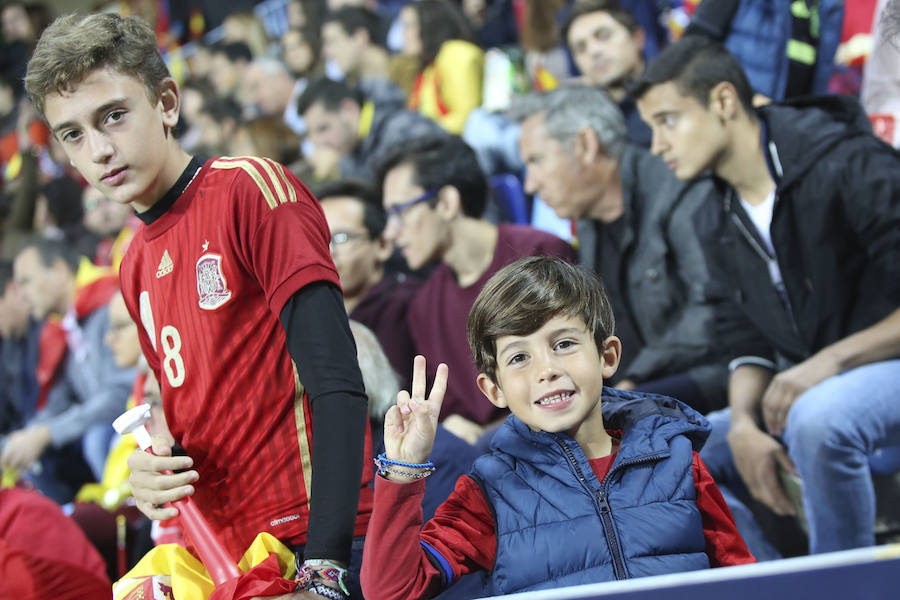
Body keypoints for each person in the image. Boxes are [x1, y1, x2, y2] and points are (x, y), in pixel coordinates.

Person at [25, 13, 372, 599]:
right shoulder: (132, 263)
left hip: (312, 544)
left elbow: (337, 383)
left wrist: (326, 566)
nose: (100, 149)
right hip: (220, 559)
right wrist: (149, 476)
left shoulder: (251, 190)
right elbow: (197, 417)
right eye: (74, 134)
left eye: (113, 115)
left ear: (166, 102)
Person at [632, 36, 900, 554]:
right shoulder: (711, 214)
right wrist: (746, 425)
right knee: (675, 451)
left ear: (725, 102)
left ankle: (840, 589)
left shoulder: (843, 161)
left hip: (876, 366)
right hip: (820, 379)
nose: (657, 145)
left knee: (819, 418)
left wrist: (828, 363)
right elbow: (744, 335)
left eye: (668, 121)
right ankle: (770, 581)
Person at [360, 256, 754, 599]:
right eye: (519, 358)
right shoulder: (488, 494)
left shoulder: (677, 459)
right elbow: (392, 590)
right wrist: (402, 471)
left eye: (564, 344)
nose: (546, 370)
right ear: (493, 389)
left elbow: (744, 580)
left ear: (607, 356)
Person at [516, 84, 726, 414]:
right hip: (638, 385)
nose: (530, 183)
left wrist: (636, 377)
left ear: (585, 145)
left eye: (536, 160)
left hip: (709, 376)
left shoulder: (678, 191)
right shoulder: (587, 217)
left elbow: (712, 312)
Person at [377, 134, 577, 446]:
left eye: (399, 211)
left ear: (446, 202)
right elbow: (454, 406)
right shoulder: (424, 305)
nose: (391, 232)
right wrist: (450, 422)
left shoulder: (539, 254)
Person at [3, 237, 133, 503]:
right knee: (35, 453)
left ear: (60, 270)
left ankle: (125, 520)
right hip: (98, 428)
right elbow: (59, 400)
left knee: (96, 440)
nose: (22, 293)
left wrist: (47, 433)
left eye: (26, 281)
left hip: (132, 423)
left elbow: (120, 394)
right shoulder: (62, 328)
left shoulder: (107, 306)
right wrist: (28, 436)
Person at [317, 178, 420, 389]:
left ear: (382, 244)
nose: (328, 252)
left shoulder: (411, 305)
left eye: (341, 238)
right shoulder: (312, 317)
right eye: (317, 238)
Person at [297, 76, 441, 180]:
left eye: (323, 128)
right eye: (311, 134)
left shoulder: (402, 130)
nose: (320, 143)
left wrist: (341, 169)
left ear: (349, 110)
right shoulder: (353, 151)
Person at [562, 0, 653, 146]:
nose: (593, 51)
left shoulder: (676, 96)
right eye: (581, 48)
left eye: (604, 36)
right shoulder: (581, 124)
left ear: (637, 38)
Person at [399, 0, 485, 134]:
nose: (403, 35)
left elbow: (468, 119)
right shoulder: (429, 67)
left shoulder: (456, 53)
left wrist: (420, 133)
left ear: (429, 24)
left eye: (408, 25)